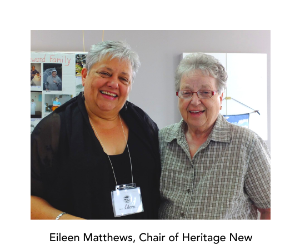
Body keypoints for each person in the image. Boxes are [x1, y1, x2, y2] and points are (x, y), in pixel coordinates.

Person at [31, 41, 161, 220]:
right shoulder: (53, 129)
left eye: (123, 79)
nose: (114, 84)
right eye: (105, 73)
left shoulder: (145, 125)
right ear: (85, 76)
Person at [158, 53, 270, 220]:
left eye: (205, 92)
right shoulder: (162, 140)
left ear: (220, 97)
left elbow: (270, 208)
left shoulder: (247, 143)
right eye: (187, 93)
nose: (195, 101)